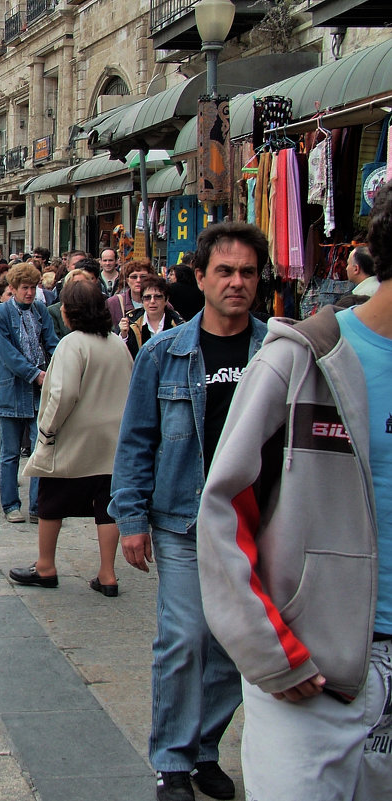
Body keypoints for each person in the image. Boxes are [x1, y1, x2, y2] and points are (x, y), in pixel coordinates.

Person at [197, 183, 392, 800]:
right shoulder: (305, 360)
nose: (237, 282)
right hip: (312, 670)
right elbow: (223, 505)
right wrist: (270, 649)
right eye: (224, 271)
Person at [110, 220, 270, 801]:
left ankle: (205, 747)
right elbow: (136, 441)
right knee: (183, 638)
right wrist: (130, 520)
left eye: (247, 272)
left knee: (235, 643)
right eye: (224, 271)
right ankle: (172, 759)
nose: (236, 282)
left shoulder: (276, 349)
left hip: (254, 523)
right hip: (180, 519)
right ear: (198, 278)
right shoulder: (163, 353)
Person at [10, 278, 132, 593]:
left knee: (51, 499)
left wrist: (47, 430)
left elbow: (63, 394)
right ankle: (108, 574)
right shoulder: (118, 343)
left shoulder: (72, 344)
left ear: (69, 312)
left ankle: (46, 566)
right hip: (112, 440)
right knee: (107, 504)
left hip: (74, 437)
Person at [0, 262, 59, 523]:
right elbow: (7, 354)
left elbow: (51, 342)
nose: (29, 293)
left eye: (33, 287)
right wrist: (34, 374)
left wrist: (58, 365)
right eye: (25, 288)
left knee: (40, 449)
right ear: (13, 288)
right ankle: (10, 504)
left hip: (40, 391)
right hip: (12, 389)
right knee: (10, 453)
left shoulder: (41, 310)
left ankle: (37, 505)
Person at [123, 275, 184, 358]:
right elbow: (121, 355)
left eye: (158, 297)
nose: (152, 301)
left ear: (166, 300)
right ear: (142, 300)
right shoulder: (130, 321)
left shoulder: (178, 324)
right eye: (147, 297)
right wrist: (123, 335)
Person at [48, 261, 99, 340]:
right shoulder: (53, 311)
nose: (79, 288)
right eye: (75, 284)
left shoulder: (97, 308)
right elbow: (53, 340)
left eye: (83, 283)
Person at [108, 258, 157, 332]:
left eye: (143, 277)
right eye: (134, 277)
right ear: (127, 280)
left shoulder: (160, 301)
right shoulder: (113, 303)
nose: (138, 280)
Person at [166, 256, 205, 321]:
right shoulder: (200, 289)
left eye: (171, 274)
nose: (168, 277)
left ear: (180, 275)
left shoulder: (172, 288)